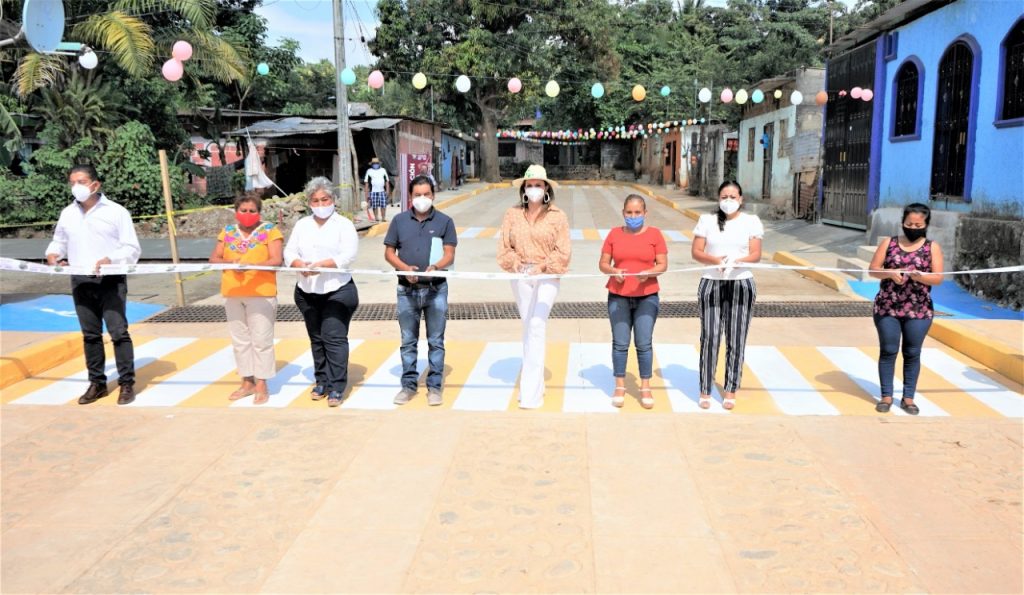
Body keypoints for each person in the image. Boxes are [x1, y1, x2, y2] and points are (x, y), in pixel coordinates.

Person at [46, 164, 141, 405]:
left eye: (81, 181)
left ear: (95, 184)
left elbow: (131, 247)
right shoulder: (68, 213)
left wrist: (111, 259)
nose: (76, 187)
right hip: (80, 280)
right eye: (72, 182)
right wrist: (53, 254)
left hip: (110, 279)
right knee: (90, 334)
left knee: (118, 332)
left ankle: (126, 383)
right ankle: (97, 383)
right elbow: (59, 241)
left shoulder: (116, 212)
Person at [497, 164, 571, 409]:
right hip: (520, 274)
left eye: (538, 185)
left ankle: (530, 394)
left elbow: (563, 251)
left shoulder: (557, 216)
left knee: (537, 325)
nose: (534, 189)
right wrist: (515, 263)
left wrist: (543, 267)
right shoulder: (512, 214)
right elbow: (504, 248)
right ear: (523, 189)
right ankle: (533, 383)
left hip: (547, 275)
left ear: (546, 188)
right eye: (530, 185)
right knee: (528, 326)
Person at [284, 177, 360, 407]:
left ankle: (337, 386)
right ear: (309, 203)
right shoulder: (302, 225)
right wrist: (299, 265)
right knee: (316, 339)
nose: (320, 204)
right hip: (307, 291)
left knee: (333, 337)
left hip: (337, 291)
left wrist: (322, 266)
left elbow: (348, 255)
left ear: (333, 200)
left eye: (324, 199)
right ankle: (322, 381)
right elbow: (289, 252)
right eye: (315, 200)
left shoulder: (343, 225)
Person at [384, 175, 458, 406]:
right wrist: (404, 269)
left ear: (433, 195)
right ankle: (408, 385)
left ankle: (435, 387)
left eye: (426, 194)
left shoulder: (444, 221)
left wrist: (435, 267)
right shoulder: (399, 221)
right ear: (410, 197)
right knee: (408, 340)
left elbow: (449, 254)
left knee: (436, 340)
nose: (422, 199)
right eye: (417, 195)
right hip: (406, 290)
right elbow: (389, 253)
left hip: (436, 289)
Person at [690, 180, 763, 411]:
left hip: (741, 284)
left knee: (736, 338)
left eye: (733, 197)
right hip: (712, 283)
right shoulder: (707, 221)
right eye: (724, 196)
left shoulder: (751, 221)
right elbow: (696, 251)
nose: (728, 201)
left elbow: (756, 254)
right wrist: (716, 261)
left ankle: (731, 389)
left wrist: (737, 261)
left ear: (741, 199)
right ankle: (705, 388)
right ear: (718, 198)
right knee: (710, 337)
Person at [868, 203, 944, 415]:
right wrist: (890, 273)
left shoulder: (932, 247)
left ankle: (908, 398)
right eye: (909, 223)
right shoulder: (888, 243)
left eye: (918, 224)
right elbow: (873, 270)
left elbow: (938, 278)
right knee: (888, 350)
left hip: (919, 310)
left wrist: (922, 276)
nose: (912, 227)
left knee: (912, 352)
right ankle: (886, 396)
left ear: (926, 224)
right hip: (887, 307)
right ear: (902, 222)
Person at [208, 192, 284, 405]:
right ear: (236, 212)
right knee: (240, 340)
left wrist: (251, 266)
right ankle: (247, 381)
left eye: (252, 211)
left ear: (259, 212)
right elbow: (215, 257)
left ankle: (262, 383)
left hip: (261, 293)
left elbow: (276, 259)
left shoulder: (270, 231)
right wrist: (231, 262)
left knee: (261, 340)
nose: (248, 214)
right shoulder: (228, 232)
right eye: (243, 211)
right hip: (233, 293)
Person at [598, 195, 668, 409]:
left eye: (638, 213)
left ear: (645, 214)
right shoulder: (614, 234)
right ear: (623, 213)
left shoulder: (655, 235)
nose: (633, 216)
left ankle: (645, 386)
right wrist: (613, 271)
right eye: (629, 212)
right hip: (618, 296)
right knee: (620, 343)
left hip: (647, 296)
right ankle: (619, 385)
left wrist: (649, 272)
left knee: (643, 343)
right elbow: (602, 263)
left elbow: (662, 264)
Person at [364, 157, 390, 223]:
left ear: (379, 164)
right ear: (372, 164)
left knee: (383, 205)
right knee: (374, 205)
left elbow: (387, 181)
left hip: (382, 191)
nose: (375, 165)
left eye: (376, 163)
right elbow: (366, 183)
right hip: (373, 191)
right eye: (374, 163)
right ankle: (376, 217)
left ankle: (383, 218)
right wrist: (366, 194)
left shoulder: (383, 170)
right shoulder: (369, 171)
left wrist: (387, 190)